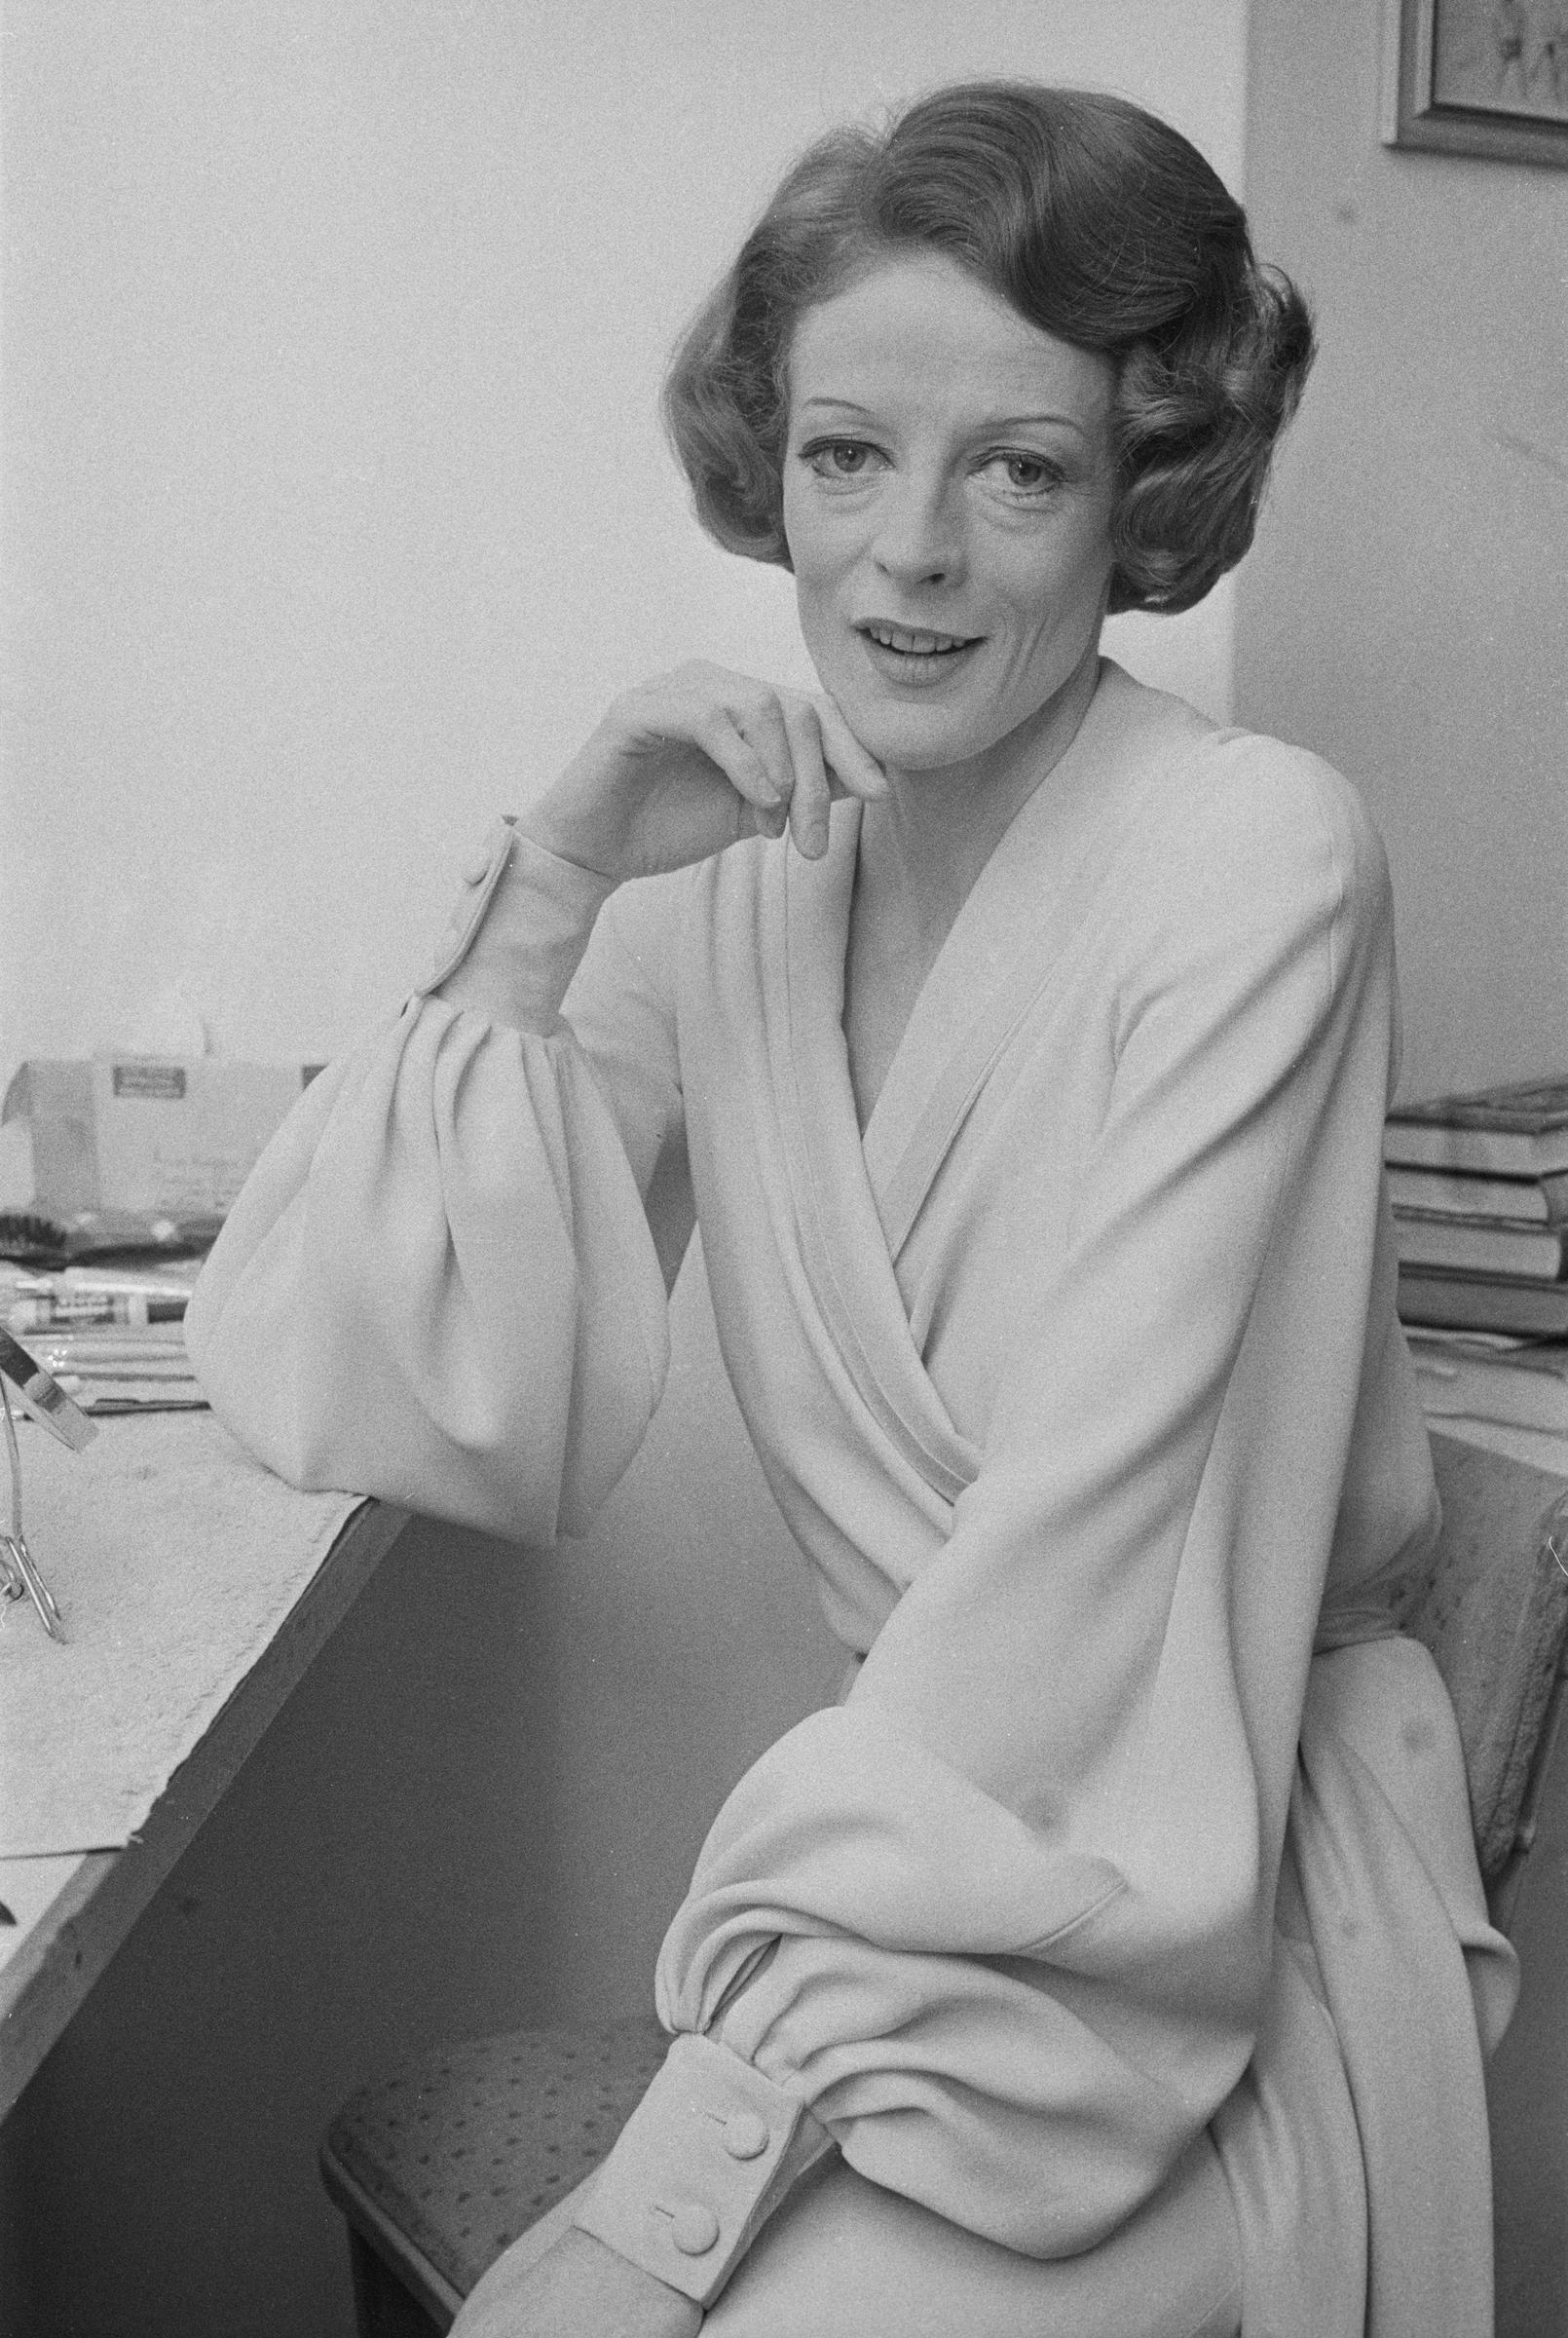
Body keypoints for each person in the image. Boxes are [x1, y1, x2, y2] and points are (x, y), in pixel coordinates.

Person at [187, 81, 1517, 2338]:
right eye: (843, 456)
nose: (907, 552)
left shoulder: (1256, 862)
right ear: (770, 478)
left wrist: (675, 2184)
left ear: (1138, 502)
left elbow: (1077, 1603)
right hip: (929, 1927)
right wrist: (564, 871)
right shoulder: (733, 884)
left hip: (1204, 1953)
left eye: (1015, 469)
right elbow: (381, 1385)